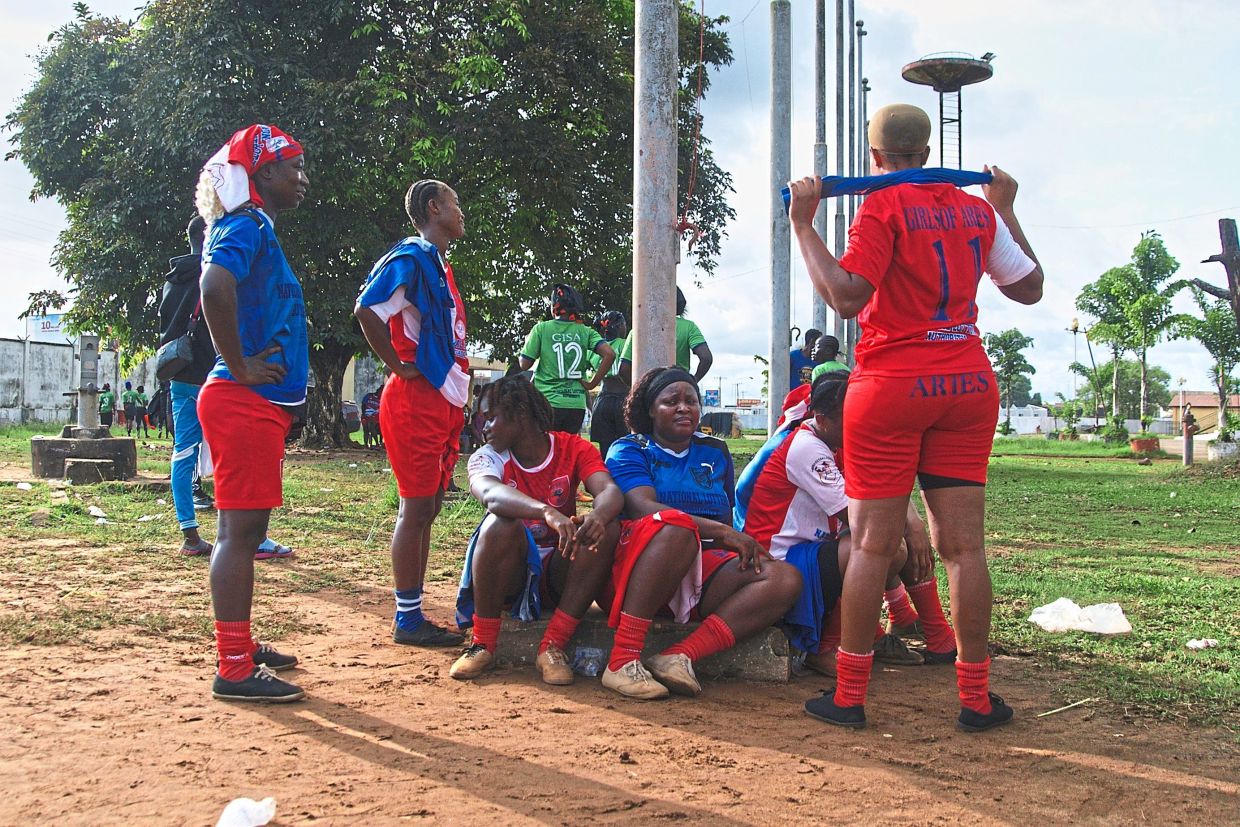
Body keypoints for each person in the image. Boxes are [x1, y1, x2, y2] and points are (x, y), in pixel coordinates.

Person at [787, 103, 1043, 731]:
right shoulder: (976, 209)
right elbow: (1030, 287)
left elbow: (847, 296)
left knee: (872, 543)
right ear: (927, 152)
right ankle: (977, 699)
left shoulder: (882, 206)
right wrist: (1005, 205)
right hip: (965, 383)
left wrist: (803, 224)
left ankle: (848, 696)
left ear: (875, 159)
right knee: (964, 549)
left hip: (891, 387)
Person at [599, 367, 802, 700]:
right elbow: (642, 507)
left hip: (701, 566)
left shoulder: (714, 452)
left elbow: (724, 515)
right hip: (639, 569)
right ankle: (622, 659)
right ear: (650, 409)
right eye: (671, 401)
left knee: (784, 578)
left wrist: (733, 546)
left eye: (691, 400)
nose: (684, 407)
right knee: (677, 528)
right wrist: (721, 531)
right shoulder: (629, 449)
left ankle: (679, 656)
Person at [196, 122, 310, 702]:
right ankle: (234, 667)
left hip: (254, 404)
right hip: (243, 400)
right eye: (294, 168)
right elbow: (215, 286)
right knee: (239, 536)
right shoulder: (244, 225)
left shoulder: (256, 226)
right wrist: (237, 365)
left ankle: (239, 642)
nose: (302, 179)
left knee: (244, 531)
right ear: (264, 173)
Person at [737, 373, 950, 673]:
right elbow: (858, 514)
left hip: (811, 547)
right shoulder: (806, 447)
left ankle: (926, 634)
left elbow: (881, 486)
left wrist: (913, 524)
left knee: (887, 542)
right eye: (850, 419)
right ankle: (827, 645)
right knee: (880, 546)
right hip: (779, 555)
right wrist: (906, 526)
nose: (860, 425)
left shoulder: (837, 439)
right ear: (822, 419)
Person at [355, 179, 471, 648]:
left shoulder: (438, 265)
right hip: (415, 399)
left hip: (444, 397)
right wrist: (398, 365)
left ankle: (415, 607)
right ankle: (407, 617)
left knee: (431, 505)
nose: (461, 212)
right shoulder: (411, 257)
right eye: (455, 203)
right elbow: (367, 310)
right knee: (416, 506)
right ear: (433, 207)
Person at [452, 375, 623, 683]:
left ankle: (553, 646)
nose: (484, 428)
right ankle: (483, 643)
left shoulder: (573, 448)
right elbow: (490, 494)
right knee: (500, 523)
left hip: (559, 570)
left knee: (606, 528)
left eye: (491, 418)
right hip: (512, 576)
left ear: (519, 414)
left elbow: (609, 490)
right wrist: (546, 512)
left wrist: (598, 515)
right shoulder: (487, 456)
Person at [160, 213, 292, 560]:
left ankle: (189, 532)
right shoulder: (217, 272)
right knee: (233, 458)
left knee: (184, 452)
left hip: (181, 378)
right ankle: (248, 536)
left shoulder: (171, 281)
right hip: (221, 378)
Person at [518, 284, 615, 435]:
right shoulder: (585, 331)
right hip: (575, 405)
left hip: (547, 403)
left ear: (553, 307)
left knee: (547, 451)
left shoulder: (541, 329)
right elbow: (610, 354)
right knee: (567, 451)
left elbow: (524, 364)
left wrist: (528, 344)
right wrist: (592, 384)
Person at [618, 287, 712, 384]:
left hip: (649, 388)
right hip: (679, 385)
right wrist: (693, 382)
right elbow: (706, 358)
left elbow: (623, 370)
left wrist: (639, 388)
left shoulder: (637, 331)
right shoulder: (689, 327)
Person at [589, 310, 630, 458]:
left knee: (606, 453)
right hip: (623, 400)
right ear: (620, 327)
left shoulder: (595, 350)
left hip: (602, 401)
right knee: (627, 448)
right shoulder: (626, 344)